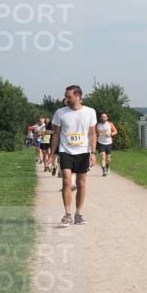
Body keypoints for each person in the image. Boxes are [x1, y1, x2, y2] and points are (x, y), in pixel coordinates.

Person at [50, 85, 97, 227]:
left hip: (83, 152)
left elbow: (92, 134)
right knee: (66, 182)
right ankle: (67, 214)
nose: (66, 99)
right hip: (66, 151)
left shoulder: (90, 112)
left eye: (69, 96)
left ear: (78, 96)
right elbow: (56, 134)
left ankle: (78, 214)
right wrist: (52, 154)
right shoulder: (60, 113)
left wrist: (93, 153)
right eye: (66, 96)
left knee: (81, 184)